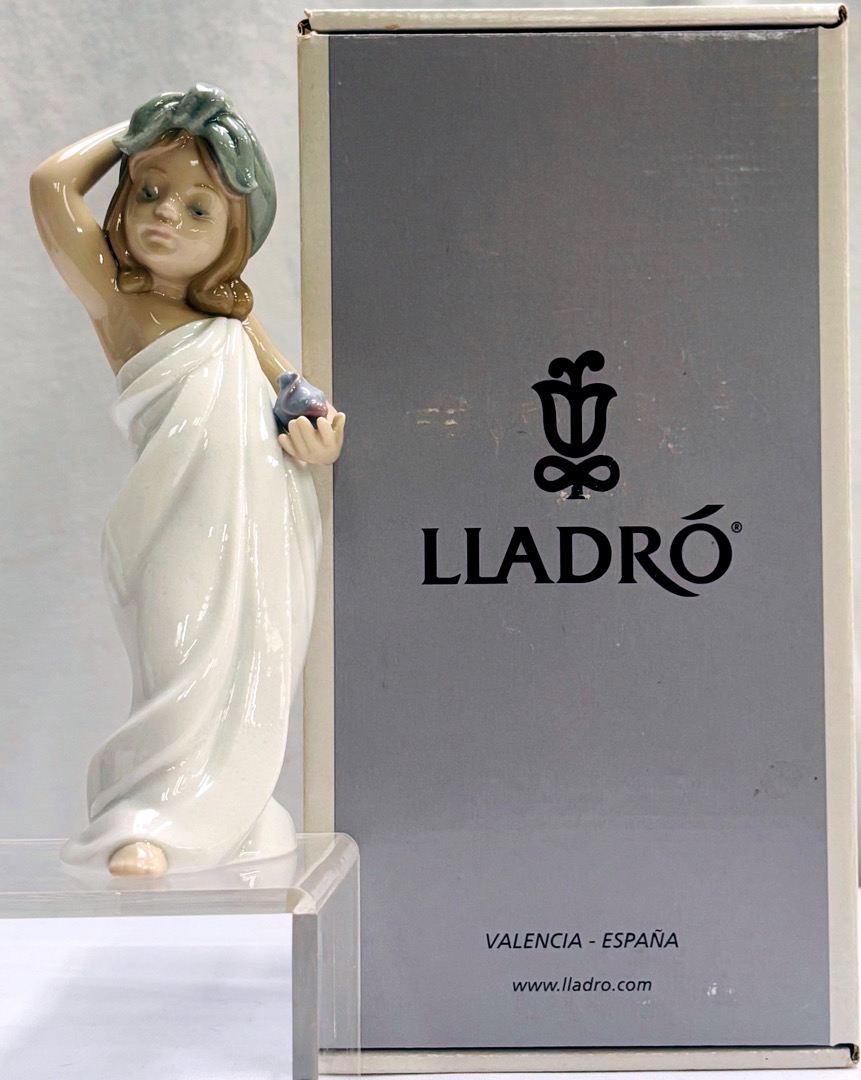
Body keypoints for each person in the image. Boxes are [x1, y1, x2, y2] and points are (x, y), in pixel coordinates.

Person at [30, 85, 343, 878]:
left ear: (233, 235)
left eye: (199, 208)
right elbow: (50, 185)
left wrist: (320, 436)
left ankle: (232, 812)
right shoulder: (118, 301)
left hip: (254, 524)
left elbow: (293, 396)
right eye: (150, 192)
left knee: (251, 664)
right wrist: (151, 127)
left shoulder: (229, 322)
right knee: (175, 665)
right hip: (170, 526)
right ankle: (144, 820)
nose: (166, 214)